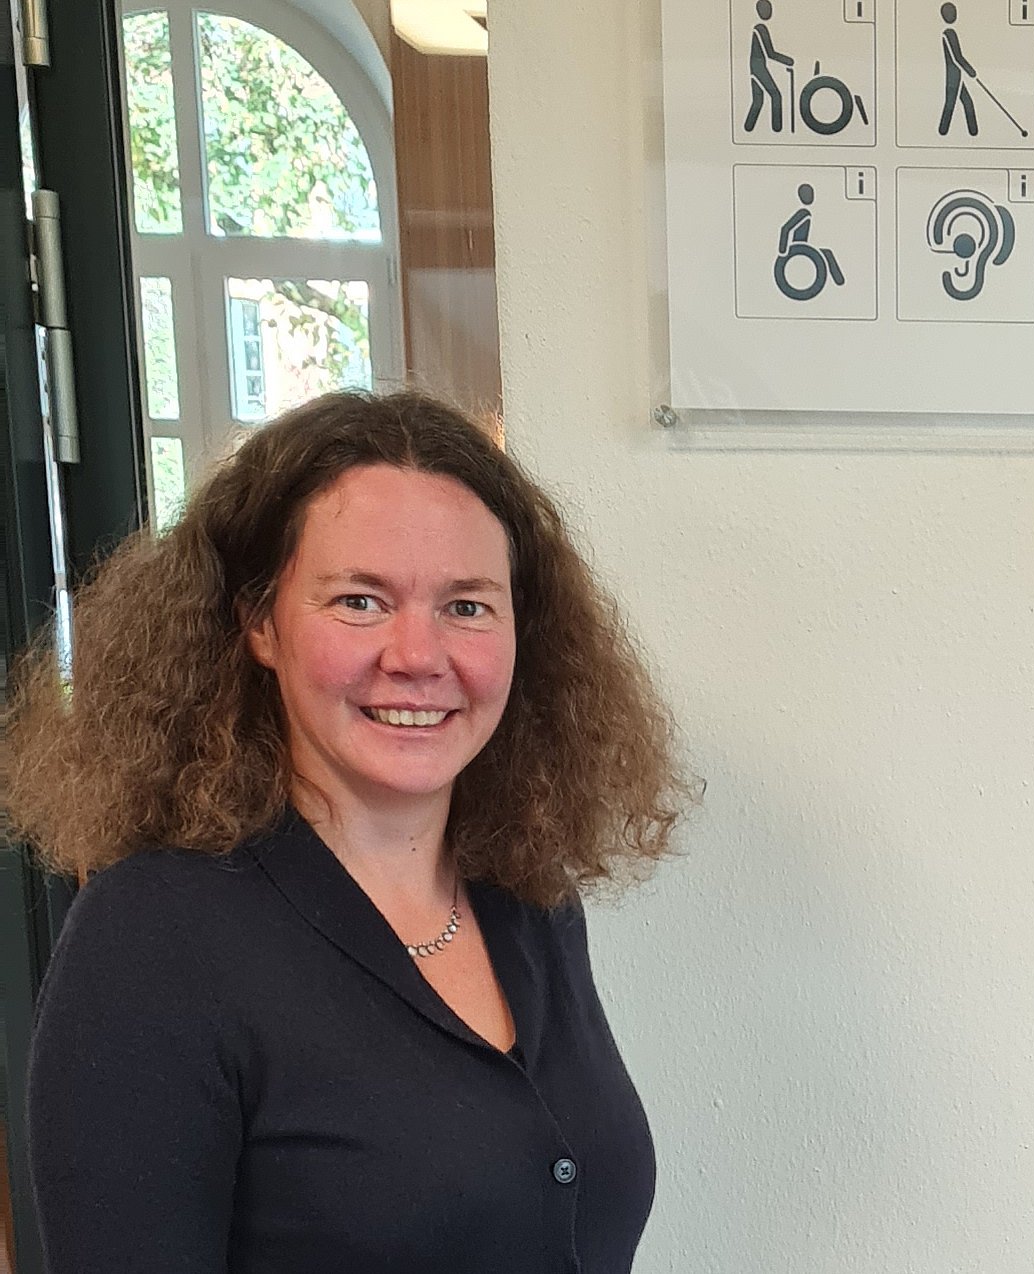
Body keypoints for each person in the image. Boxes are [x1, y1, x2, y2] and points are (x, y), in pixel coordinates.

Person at [2, 391, 696, 1273]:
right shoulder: (153, 937)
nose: (418, 656)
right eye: (361, 601)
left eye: (467, 606)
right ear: (259, 623)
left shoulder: (529, 897)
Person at [745, 0, 793, 133]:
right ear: (760, 11)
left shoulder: (761, 28)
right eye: (766, 9)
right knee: (776, 96)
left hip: (755, 67)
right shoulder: (760, 29)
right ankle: (777, 128)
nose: (769, 12)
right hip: (758, 68)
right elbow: (770, 53)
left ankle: (748, 128)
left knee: (758, 100)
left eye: (769, 8)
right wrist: (788, 61)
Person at [938, 3, 978, 136]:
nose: (954, 15)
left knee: (967, 102)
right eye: (951, 13)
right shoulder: (948, 33)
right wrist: (971, 72)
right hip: (953, 76)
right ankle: (943, 131)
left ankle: (973, 131)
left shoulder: (950, 32)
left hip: (957, 74)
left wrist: (969, 71)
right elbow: (956, 57)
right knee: (950, 103)